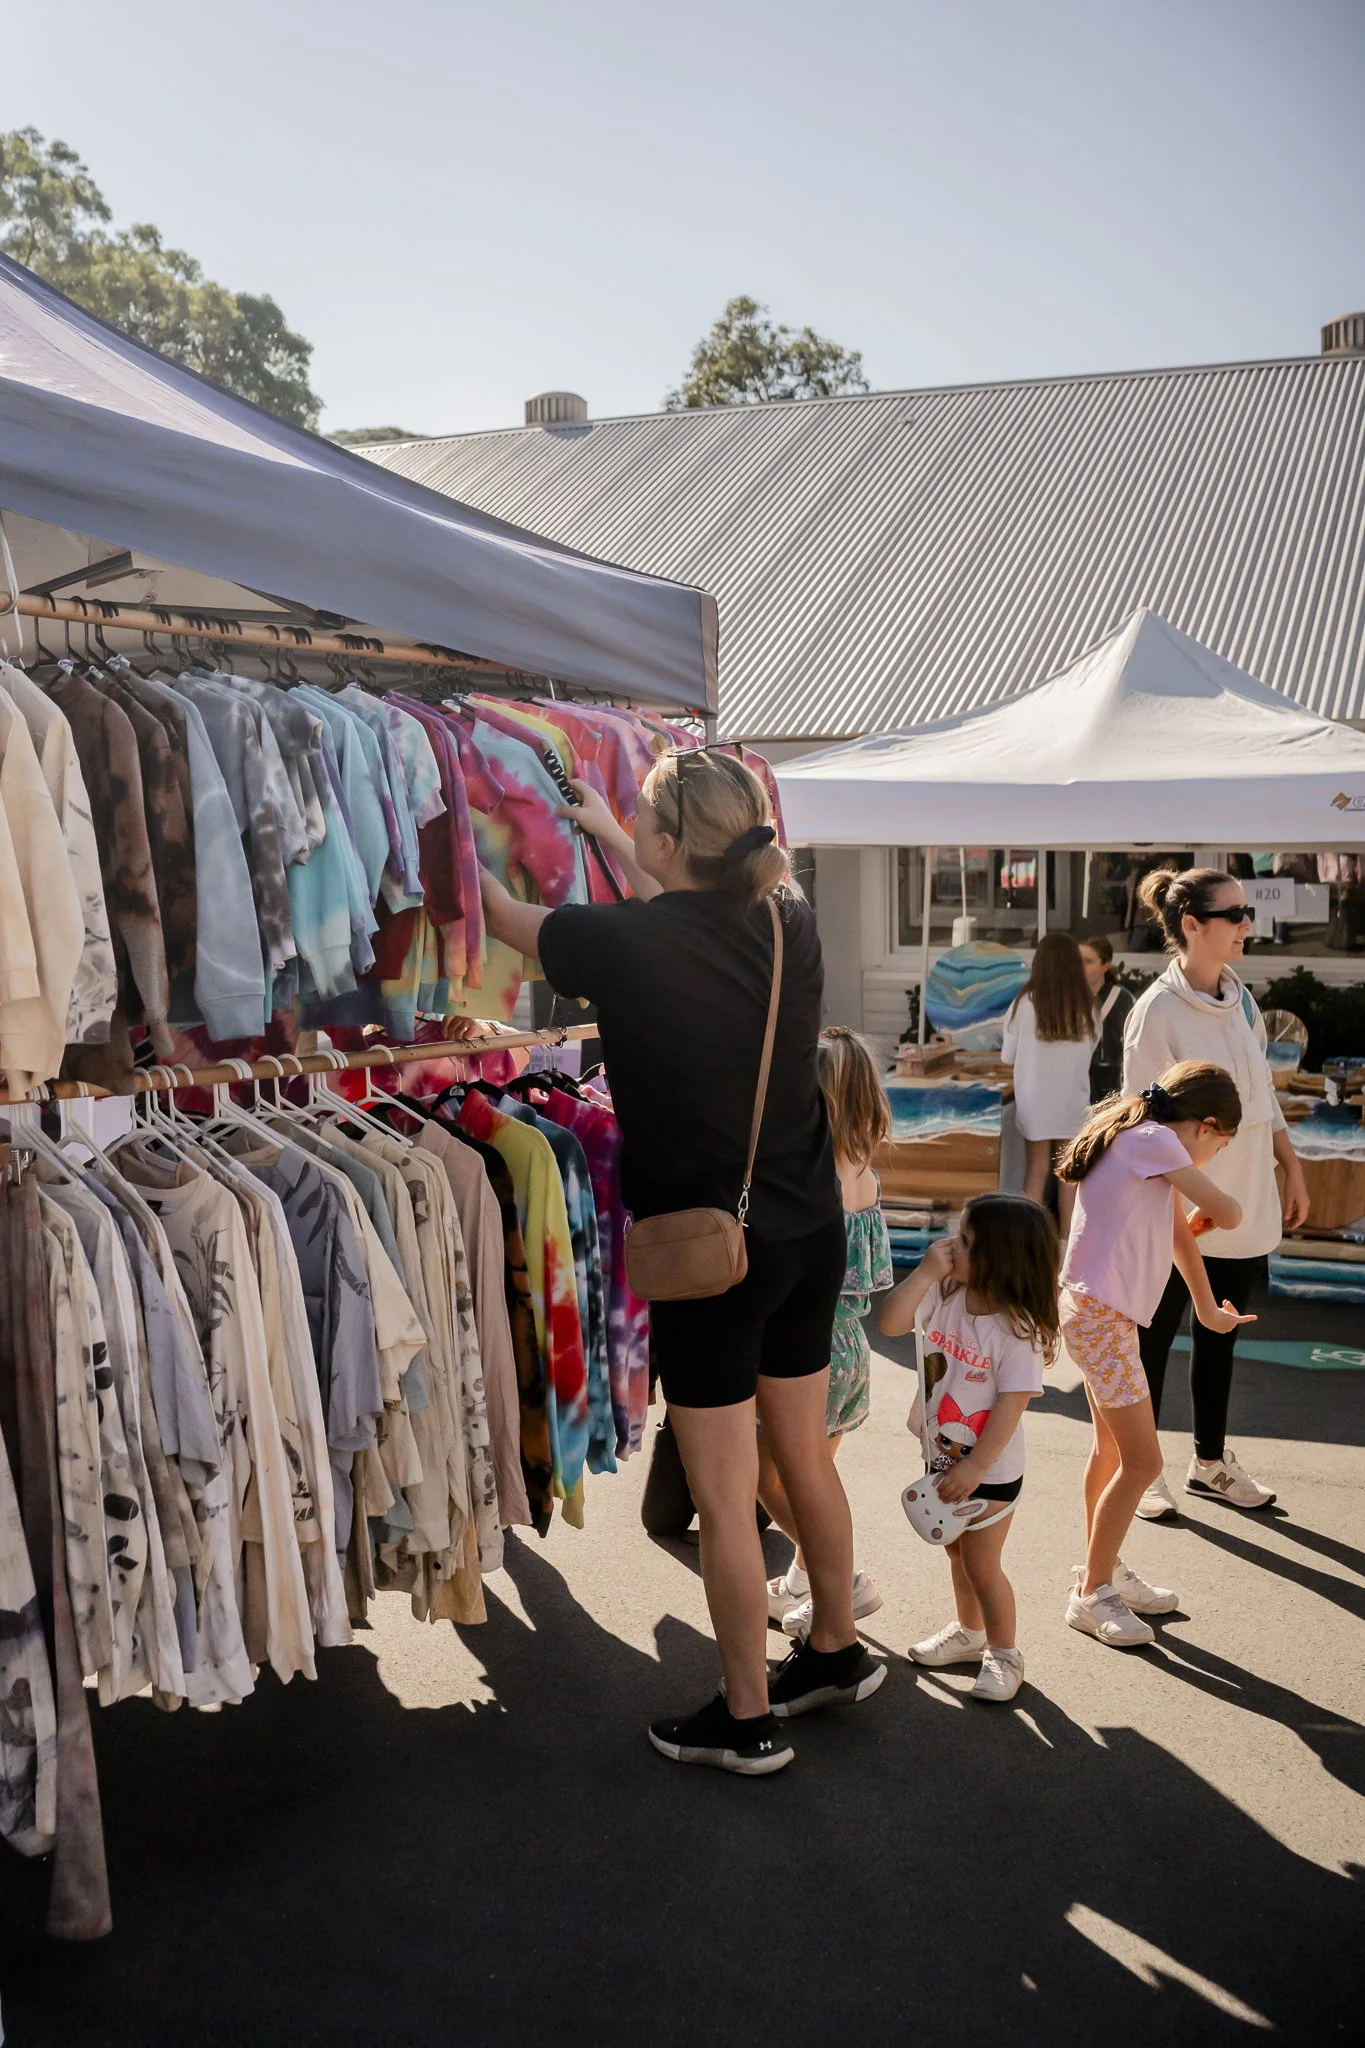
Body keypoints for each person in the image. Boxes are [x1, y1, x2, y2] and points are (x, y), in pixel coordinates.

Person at [479, 749, 885, 1777]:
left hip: (712, 1251)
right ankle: (834, 1645)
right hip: (804, 1230)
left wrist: (442, 827)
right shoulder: (791, 918)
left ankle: (746, 1715)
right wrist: (621, 833)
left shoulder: (623, 940)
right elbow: (704, 892)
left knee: (721, 1488)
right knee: (803, 1458)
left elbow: (501, 916)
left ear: (668, 843)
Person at [1123, 866, 1311, 1518]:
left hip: (1243, 1202)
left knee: (1220, 1333)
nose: (1245, 925)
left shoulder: (1242, 997)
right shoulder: (1157, 1013)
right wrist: (1185, 1202)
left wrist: (1290, 1164)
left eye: (1244, 912)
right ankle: (1138, 1468)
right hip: (1178, 1211)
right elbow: (1140, 1128)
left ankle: (1208, 1461)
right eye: (1232, 915)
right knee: (1152, 1342)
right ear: (1191, 925)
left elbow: (1260, 1095)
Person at [1056, 1060, 1252, 1646]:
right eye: (1219, 1145)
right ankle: (1093, 1593)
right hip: (1102, 1321)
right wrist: (1214, 1204)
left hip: (1094, 1315)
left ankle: (1102, 1569)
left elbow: (1179, 1239)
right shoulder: (1156, 1141)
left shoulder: (1139, 1141)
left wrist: (1209, 1310)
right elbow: (1233, 1213)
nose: (1211, 1156)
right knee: (1143, 1464)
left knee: (1114, 1453)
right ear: (1206, 1125)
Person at [878, 1194, 1060, 1704]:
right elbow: (891, 1324)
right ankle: (969, 1632)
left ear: (999, 1258)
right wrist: (922, 1275)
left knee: (981, 1564)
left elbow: (1012, 1403)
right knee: (956, 1555)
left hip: (989, 1471)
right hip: (943, 1458)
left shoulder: (1016, 1330)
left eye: (966, 1240)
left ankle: (1004, 1654)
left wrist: (978, 1466)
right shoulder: (947, 1296)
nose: (951, 1246)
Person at [762, 1026, 894, 1637]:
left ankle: (841, 1578)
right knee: (815, 1476)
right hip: (850, 1350)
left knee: (768, 1480)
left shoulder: (812, 1176)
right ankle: (799, 1579)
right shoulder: (861, 1168)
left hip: (806, 1348)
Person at [1000, 932, 1096, 1236]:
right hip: (1072, 1102)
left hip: (1034, 1102)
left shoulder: (1023, 1004)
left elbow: (1007, 1057)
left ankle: (1032, 1248)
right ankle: (1066, 1252)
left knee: (1036, 1173)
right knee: (1069, 1179)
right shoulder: (1088, 1006)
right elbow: (1090, 1052)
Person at [1080, 936, 1135, 1103]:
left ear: (1105, 965)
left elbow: (1132, 1044)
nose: (1080, 967)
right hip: (1077, 1081)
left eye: (1088, 961)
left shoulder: (1122, 998)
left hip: (1111, 1086)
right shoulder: (1069, 996)